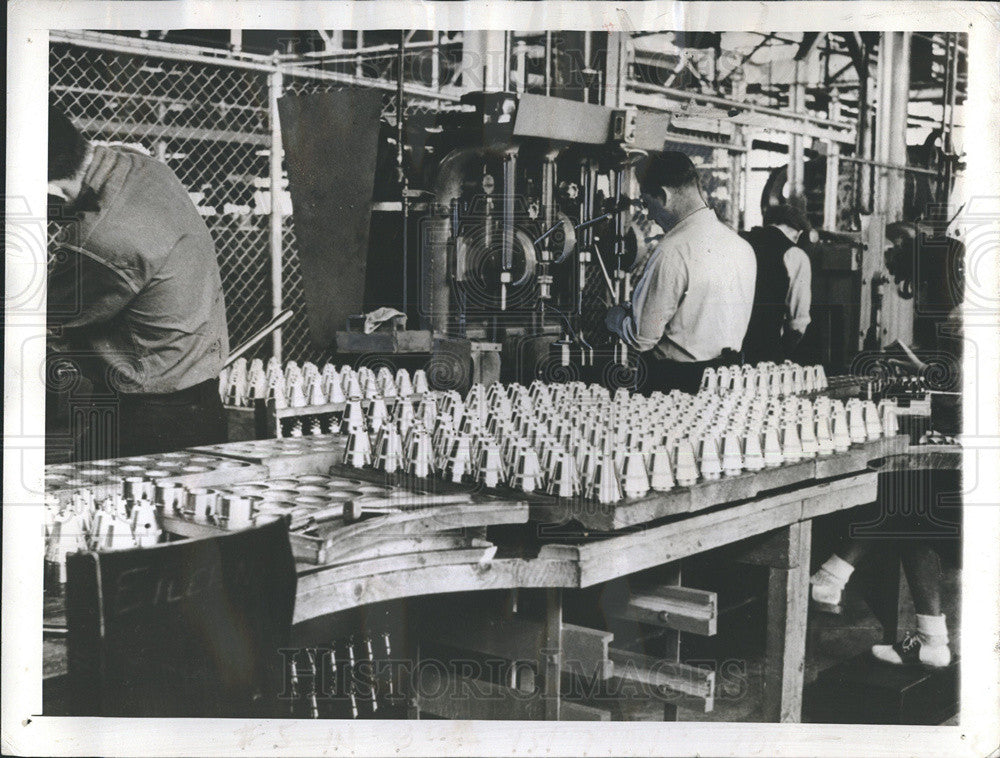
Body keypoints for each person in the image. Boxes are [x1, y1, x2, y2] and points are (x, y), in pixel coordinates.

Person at [47, 106, 230, 458]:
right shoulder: (144, 167)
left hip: (154, 422)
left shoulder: (101, 240)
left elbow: (44, 317)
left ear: (51, 193)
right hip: (202, 401)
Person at [604, 151, 756, 394]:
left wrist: (616, 319)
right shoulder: (741, 246)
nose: (650, 216)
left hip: (677, 385)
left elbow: (642, 338)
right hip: (728, 381)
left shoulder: (672, 251)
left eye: (647, 204)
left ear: (664, 196)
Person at [740, 203, 813, 364]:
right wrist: (782, 354)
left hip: (729, 350)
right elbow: (798, 322)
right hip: (766, 353)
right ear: (799, 233)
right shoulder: (795, 255)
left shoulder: (741, 242)